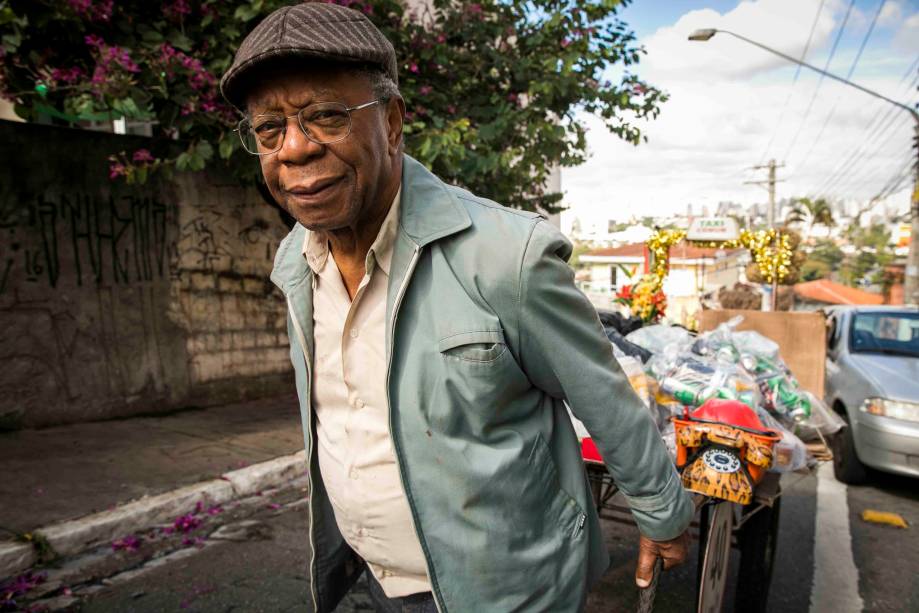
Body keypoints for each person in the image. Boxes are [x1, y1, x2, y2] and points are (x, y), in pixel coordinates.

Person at [220, 4, 693, 612]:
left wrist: (660, 511)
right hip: (369, 583)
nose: (293, 150)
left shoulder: (506, 256)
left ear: (390, 123)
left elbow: (602, 393)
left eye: (324, 117)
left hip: (506, 593)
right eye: (268, 130)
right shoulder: (295, 262)